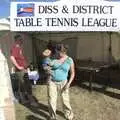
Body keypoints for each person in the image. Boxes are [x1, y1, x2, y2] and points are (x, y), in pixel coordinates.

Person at [45, 44, 75, 120]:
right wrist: (47, 70)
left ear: (63, 52)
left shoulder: (69, 60)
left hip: (64, 82)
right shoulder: (54, 58)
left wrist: (69, 84)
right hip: (52, 82)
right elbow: (47, 67)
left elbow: (72, 73)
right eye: (56, 52)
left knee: (65, 100)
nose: (57, 54)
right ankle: (52, 117)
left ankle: (69, 115)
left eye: (58, 52)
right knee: (52, 100)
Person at [10, 35, 37, 106]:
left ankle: (23, 100)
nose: (22, 41)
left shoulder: (19, 48)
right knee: (27, 85)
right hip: (20, 70)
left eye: (22, 39)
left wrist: (27, 66)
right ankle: (32, 101)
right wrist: (18, 66)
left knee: (22, 85)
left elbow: (21, 59)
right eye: (20, 39)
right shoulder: (15, 48)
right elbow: (12, 58)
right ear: (17, 40)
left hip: (23, 69)